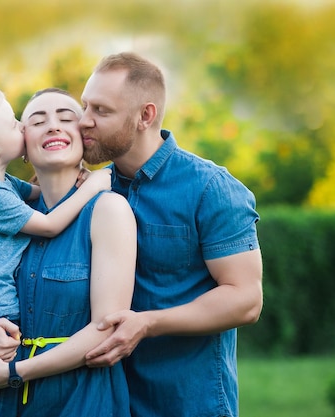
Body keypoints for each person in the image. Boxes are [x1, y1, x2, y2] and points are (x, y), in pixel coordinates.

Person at [77, 52, 264, 416]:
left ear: (145, 116)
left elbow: (246, 299)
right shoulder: (87, 190)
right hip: (100, 401)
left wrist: (146, 324)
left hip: (186, 403)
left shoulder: (210, 189)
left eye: (101, 110)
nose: (84, 121)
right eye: (85, 106)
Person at [0, 88, 137, 416]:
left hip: (76, 398)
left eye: (66, 118)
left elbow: (107, 327)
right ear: (23, 146)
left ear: (84, 138)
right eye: (36, 120)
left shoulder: (107, 209)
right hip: (2, 400)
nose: (54, 126)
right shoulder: (10, 210)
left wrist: (12, 373)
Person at [0, 86, 111, 323]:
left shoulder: (0, 183)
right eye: (14, 124)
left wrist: (83, 174)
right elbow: (49, 225)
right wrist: (93, 186)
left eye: (67, 118)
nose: (21, 126)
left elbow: (43, 192)